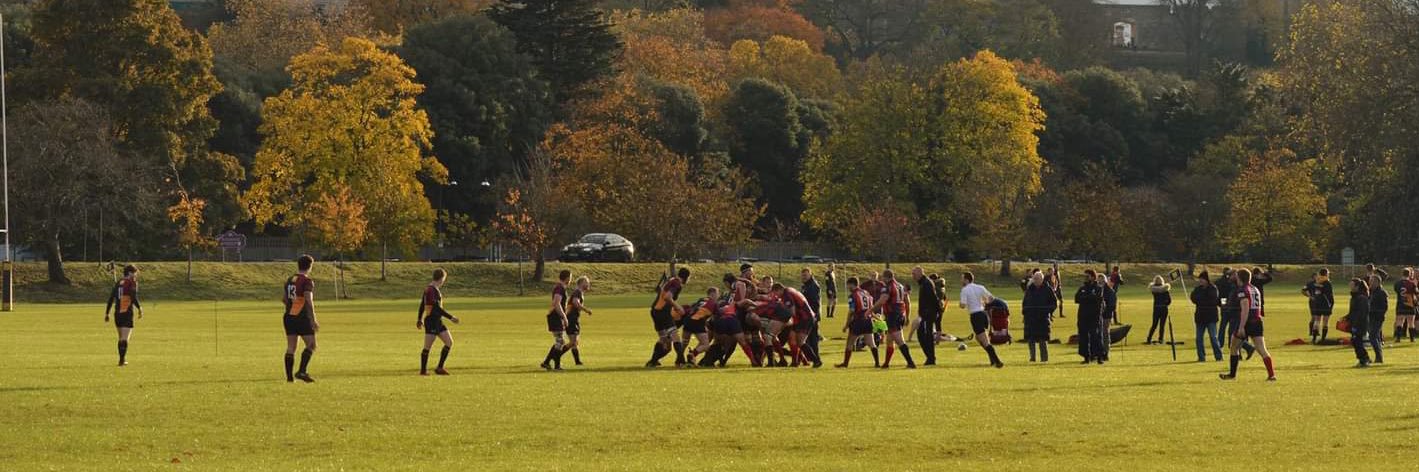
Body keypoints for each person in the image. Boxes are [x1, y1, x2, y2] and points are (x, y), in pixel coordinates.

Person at [1220, 268, 1276, 381]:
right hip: (1257, 321)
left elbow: (1245, 308)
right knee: (1262, 349)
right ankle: (1271, 375)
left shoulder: (1242, 290)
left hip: (1247, 321)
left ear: (1239, 278)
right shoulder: (1254, 288)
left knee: (1234, 347)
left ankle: (1232, 374)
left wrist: (1241, 326)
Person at [282, 255, 320, 383]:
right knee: (312, 344)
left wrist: (292, 306)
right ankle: (301, 371)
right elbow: (308, 300)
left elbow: (284, 299)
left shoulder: (290, 279)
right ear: (310, 266)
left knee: (291, 347)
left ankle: (289, 379)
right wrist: (313, 319)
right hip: (302, 317)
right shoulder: (307, 281)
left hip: (289, 317)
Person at [416, 268, 461, 376]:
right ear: (441, 278)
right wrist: (451, 317)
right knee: (427, 347)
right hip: (431, 321)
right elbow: (436, 308)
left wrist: (419, 319)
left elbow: (422, 304)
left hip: (437, 321)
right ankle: (423, 371)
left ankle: (439, 368)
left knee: (449, 342)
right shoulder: (431, 290)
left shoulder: (432, 289)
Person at [870, 270, 916, 369]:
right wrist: (907, 316)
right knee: (890, 340)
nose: (882, 279)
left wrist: (870, 310)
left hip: (893, 315)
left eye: (883, 277)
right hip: (900, 314)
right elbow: (907, 302)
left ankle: (910, 362)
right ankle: (886, 364)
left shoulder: (888, 287)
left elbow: (882, 300)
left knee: (899, 340)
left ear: (886, 277)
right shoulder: (900, 286)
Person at [771, 283, 823, 368]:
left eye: (776, 293)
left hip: (805, 318)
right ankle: (795, 362)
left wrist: (782, 319)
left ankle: (816, 361)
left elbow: (792, 311)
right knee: (792, 338)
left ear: (779, 290)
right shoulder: (789, 290)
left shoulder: (786, 294)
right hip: (802, 318)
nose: (777, 296)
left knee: (800, 341)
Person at [647, 267, 690, 368]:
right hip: (663, 312)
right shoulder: (677, 283)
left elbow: (658, 290)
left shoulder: (671, 280)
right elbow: (667, 297)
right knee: (675, 336)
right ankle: (681, 362)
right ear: (687, 277)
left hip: (655, 311)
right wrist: (677, 307)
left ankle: (652, 361)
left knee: (663, 339)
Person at [960, 272, 1003, 368]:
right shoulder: (980, 287)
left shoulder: (965, 290)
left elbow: (963, 305)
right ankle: (992, 359)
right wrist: (985, 303)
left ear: (966, 280)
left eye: (962, 279)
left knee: (984, 340)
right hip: (983, 314)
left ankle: (997, 361)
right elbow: (991, 298)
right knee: (979, 338)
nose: (961, 280)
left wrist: (961, 304)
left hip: (975, 316)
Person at [104, 264, 144, 367]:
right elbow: (133, 297)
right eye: (135, 273)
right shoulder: (131, 282)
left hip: (117, 313)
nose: (135, 275)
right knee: (124, 338)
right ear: (130, 273)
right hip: (127, 312)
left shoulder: (118, 283)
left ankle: (122, 359)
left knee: (121, 337)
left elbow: (111, 298)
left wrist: (107, 313)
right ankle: (122, 360)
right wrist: (139, 308)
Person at [836, 277, 879, 368]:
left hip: (858, 321)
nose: (848, 287)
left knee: (850, 342)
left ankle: (845, 363)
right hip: (868, 320)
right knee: (871, 342)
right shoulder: (866, 293)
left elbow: (851, 311)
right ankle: (877, 363)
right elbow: (871, 307)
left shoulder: (853, 295)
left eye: (848, 285)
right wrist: (876, 318)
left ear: (852, 284)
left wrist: (846, 325)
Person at [1217, 268, 1254, 357]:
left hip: (1235, 312)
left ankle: (1245, 349)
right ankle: (1243, 350)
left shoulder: (1237, 286)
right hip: (1230, 310)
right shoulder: (1230, 284)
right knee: (1231, 332)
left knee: (1233, 333)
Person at [541, 270, 573, 371]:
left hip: (556, 316)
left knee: (560, 341)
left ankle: (547, 363)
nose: (571, 280)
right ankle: (555, 365)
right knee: (560, 341)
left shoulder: (560, 287)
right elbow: (556, 303)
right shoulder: (559, 288)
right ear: (567, 278)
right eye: (570, 277)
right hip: (556, 317)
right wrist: (564, 316)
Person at [1022, 271, 1057, 362]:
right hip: (1030, 318)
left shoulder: (1048, 289)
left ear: (1042, 279)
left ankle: (1044, 359)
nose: (1035, 280)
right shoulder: (1029, 289)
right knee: (1031, 339)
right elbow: (1025, 302)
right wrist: (1025, 312)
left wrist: (1047, 311)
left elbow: (1054, 303)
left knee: (1043, 339)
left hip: (1043, 318)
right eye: (1034, 279)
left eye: (1037, 279)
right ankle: (1032, 357)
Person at [1190, 271, 1222, 362]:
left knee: (1213, 338)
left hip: (1211, 317)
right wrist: (1201, 299)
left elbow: (1212, 299)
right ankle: (1201, 357)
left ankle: (1218, 356)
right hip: (1200, 317)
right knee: (1199, 339)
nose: (1200, 281)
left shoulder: (1213, 288)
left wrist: (1200, 299)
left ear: (1206, 280)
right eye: (1199, 279)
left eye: (1202, 279)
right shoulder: (1197, 289)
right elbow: (1193, 298)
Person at [912, 267, 941, 365]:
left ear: (920, 273)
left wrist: (936, 312)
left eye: (914, 274)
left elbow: (933, 298)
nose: (913, 276)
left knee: (925, 335)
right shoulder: (923, 283)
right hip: (926, 314)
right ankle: (930, 357)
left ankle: (931, 358)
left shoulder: (926, 283)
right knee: (924, 335)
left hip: (928, 314)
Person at [683, 287, 718, 366]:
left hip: (687, 320)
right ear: (713, 294)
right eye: (717, 294)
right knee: (706, 345)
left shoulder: (701, 299)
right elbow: (716, 316)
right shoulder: (714, 303)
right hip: (697, 322)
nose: (717, 296)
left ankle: (679, 360)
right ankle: (692, 354)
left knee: (684, 342)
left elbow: (694, 308)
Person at [1075, 270, 1104, 364]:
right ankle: (1086, 357)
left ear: (1093, 277)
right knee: (1083, 337)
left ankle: (1099, 357)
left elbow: (1097, 299)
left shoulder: (1098, 288)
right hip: (1083, 317)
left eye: (1087, 276)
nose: (1085, 278)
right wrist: (1088, 298)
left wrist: (1086, 298)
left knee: (1095, 337)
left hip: (1094, 317)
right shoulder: (1082, 288)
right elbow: (1077, 298)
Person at [1302, 269, 1336, 344]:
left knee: (1317, 321)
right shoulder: (1327, 283)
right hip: (1325, 303)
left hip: (1317, 303)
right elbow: (1330, 295)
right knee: (1325, 322)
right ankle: (1323, 339)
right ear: (1326, 274)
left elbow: (1305, 290)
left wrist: (1311, 297)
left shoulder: (1315, 282)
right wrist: (1331, 304)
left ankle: (1314, 339)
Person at [565, 276, 593, 366]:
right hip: (571, 319)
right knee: (573, 342)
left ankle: (577, 362)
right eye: (586, 282)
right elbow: (575, 302)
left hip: (573, 319)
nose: (588, 284)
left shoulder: (579, 292)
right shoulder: (577, 292)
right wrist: (586, 310)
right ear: (581, 283)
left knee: (575, 342)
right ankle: (555, 355)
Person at [1348, 278, 1373, 368]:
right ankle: (1364, 358)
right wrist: (1346, 318)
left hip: (1360, 324)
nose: (1350, 286)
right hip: (1355, 323)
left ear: (1357, 286)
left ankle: (1364, 359)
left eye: (1352, 285)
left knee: (1357, 342)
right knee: (1356, 342)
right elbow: (1353, 311)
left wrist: (1356, 324)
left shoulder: (1361, 298)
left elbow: (1362, 313)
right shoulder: (1354, 297)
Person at [800, 268, 823, 364]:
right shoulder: (806, 285)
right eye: (803, 275)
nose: (804, 277)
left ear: (810, 275)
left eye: (805, 275)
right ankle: (813, 358)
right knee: (809, 338)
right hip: (809, 315)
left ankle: (816, 359)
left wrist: (813, 315)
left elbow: (814, 303)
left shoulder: (812, 286)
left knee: (812, 339)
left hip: (811, 316)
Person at [1146, 276, 1172, 345]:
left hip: (1156, 308)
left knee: (1154, 324)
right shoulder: (1165, 290)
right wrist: (1165, 303)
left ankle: (1149, 338)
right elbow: (1169, 301)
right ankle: (1161, 339)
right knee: (1162, 325)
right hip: (1164, 309)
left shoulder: (1154, 291)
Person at [1366, 274, 1386, 364]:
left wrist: (1374, 312)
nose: (1370, 283)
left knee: (1373, 336)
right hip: (1371, 317)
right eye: (1370, 281)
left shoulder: (1381, 293)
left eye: (1372, 281)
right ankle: (1379, 357)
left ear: (1377, 282)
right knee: (1375, 337)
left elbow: (1384, 307)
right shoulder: (1371, 292)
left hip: (1377, 318)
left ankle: (1379, 356)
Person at [1098, 274, 1118, 361]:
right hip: (1097, 316)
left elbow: (1112, 306)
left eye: (1102, 280)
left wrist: (1104, 311)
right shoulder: (1097, 290)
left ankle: (1105, 352)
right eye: (1098, 280)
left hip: (1106, 316)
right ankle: (1098, 352)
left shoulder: (1110, 291)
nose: (1100, 282)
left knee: (1105, 334)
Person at [1394, 268, 1417, 343]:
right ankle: (1412, 339)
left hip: (1401, 304)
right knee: (1411, 322)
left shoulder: (1397, 283)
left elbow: (1396, 291)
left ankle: (1398, 338)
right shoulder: (1412, 283)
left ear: (1402, 274)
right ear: (1409, 274)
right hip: (1410, 304)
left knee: (1399, 321)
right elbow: (1416, 292)